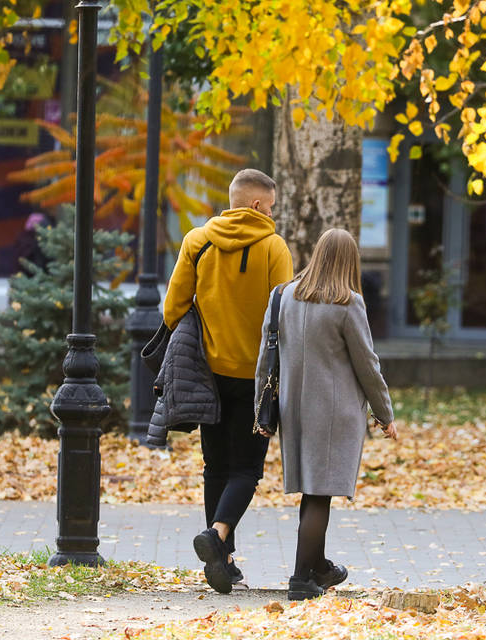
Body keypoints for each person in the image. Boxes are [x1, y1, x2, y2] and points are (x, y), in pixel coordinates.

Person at [162, 168, 293, 593]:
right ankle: (217, 537)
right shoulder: (274, 248)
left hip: (209, 372)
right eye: (271, 207)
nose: (273, 214)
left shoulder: (197, 241)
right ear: (256, 205)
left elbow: (171, 310)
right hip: (257, 378)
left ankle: (222, 561)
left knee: (214, 465)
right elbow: (284, 317)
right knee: (247, 469)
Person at [255, 228, 397, 601]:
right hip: (334, 412)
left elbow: (265, 358)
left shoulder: (282, 296)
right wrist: (385, 412)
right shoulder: (348, 303)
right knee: (320, 494)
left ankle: (319, 568)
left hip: (293, 409)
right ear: (350, 261)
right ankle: (302, 579)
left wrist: (261, 410)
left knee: (313, 490)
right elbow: (367, 363)